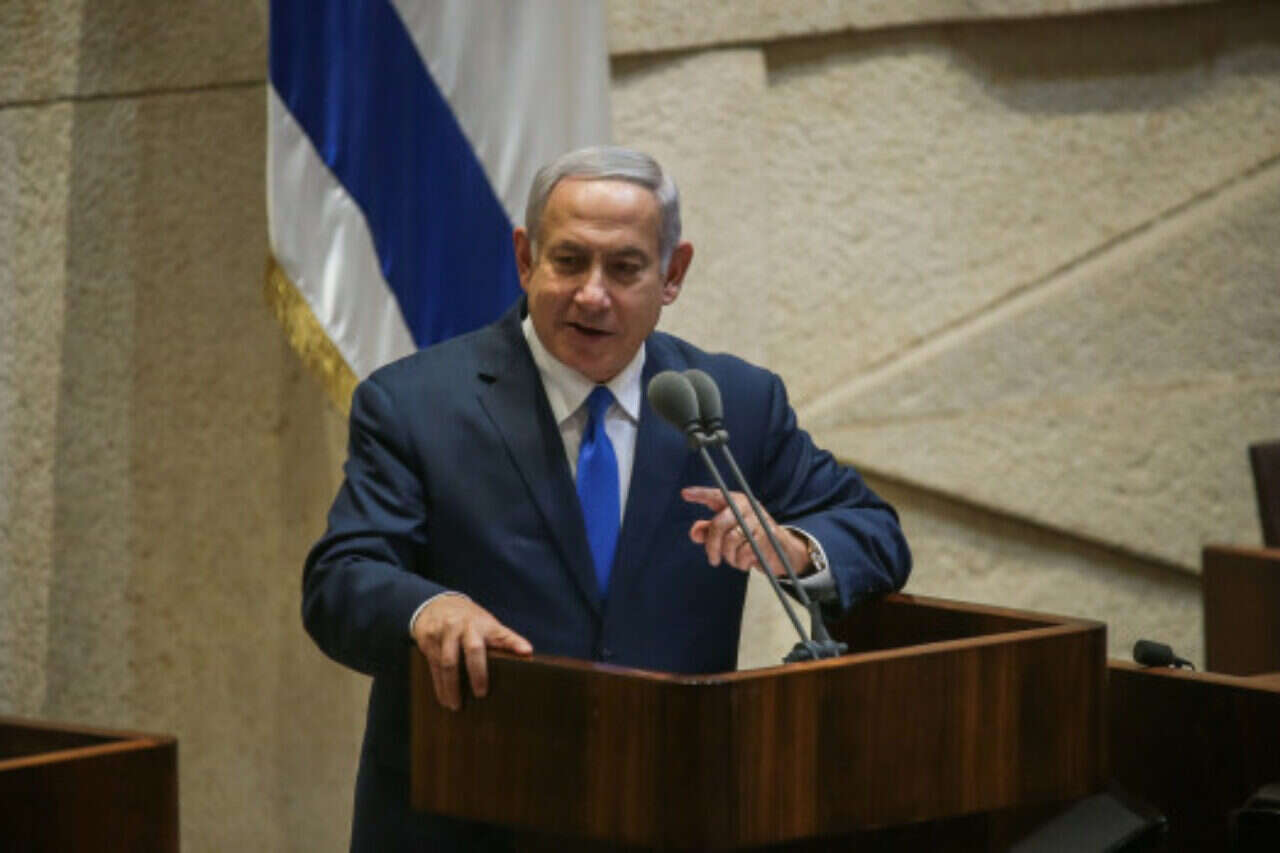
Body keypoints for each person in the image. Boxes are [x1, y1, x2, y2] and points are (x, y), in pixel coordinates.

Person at [303, 146, 912, 851]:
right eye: (569, 261)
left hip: (670, 814)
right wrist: (426, 608)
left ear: (673, 273)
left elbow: (874, 532)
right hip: (467, 815)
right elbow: (341, 578)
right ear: (526, 258)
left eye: (625, 268)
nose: (592, 294)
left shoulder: (729, 404)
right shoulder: (415, 403)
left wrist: (796, 548)